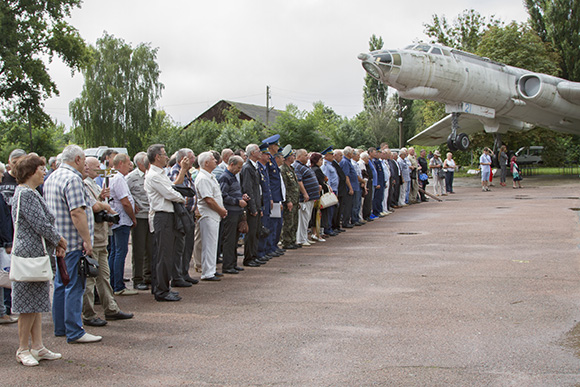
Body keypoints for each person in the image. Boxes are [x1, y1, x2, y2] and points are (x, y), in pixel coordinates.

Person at [10, 155, 67, 365]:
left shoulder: (30, 192)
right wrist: (60, 240)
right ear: (32, 171)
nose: (45, 172)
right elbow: (41, 224)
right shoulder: (26, 194)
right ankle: (23, 349)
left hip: (36, 253)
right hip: (29, 255)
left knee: (36, 302)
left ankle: (38, 346)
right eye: (41, 169)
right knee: (27, 304)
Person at [44, 145, 101, 344]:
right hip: (72, 242)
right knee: (75, 287)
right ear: (77, 159)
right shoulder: (73, 179)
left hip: (58, 242)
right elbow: (77, 212)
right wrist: (87, 240)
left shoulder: (52, 177)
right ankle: (75, 331)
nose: (85, 164)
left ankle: (61, 327)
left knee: (60, 284)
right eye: (84, 160)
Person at [82, 157, 133, 327]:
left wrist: (103, 200)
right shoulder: (83, 184)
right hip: (93, 237)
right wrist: (104, 206)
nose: (101, 169)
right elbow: (94, 207)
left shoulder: (94, 183)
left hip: (101, 235)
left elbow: (99, 204)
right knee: (90, 277)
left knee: (103, 275)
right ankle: (88, 314)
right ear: (87, 168)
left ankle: (110, 308)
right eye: (97, 166)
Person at [144, 144, 186, 302]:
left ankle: (162, 287)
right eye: (164, 154)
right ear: (157, 157)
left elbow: (171, 188)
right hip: (162, 216)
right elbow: (169, 193)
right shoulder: (154, 175)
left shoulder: (160, 173)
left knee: (165, 254)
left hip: (167, 215)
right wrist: (181, 198)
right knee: (163, 255)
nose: (167, 157)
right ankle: (161, 290)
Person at [168, 148, 198, 287]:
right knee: (179, 246)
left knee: (188, 245)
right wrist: (182, 169)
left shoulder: (188, 172)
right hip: (180, 214)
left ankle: (184, 273)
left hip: (189, 213)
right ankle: (176, 276)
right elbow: (176, 187)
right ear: (182, 159)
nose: (193, 160)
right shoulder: (176, 171)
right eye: (191, 158)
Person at [195, 152, 228, 281]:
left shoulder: (209, 176)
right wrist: (221, 210)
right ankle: (207, 272)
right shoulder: (203, 178)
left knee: (213, 244)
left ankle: (211, 269)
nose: (216, 160)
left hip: (213, 215)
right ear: (206, 163)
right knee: (209, 244)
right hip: (208, 215)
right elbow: (208, 199)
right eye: (213, 159)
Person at [108, 154, 138, 295]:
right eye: (128, 164)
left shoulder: (112, 175)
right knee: (120, 252)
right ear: (120, 163)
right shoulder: (118, 178)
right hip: (122, 219)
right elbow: (125, 201)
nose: (129, 167)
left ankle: (114, 282)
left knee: (115, 252)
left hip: (117, 219)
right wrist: (133, 217)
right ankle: (118, 286)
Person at [126, 152, 153, 290]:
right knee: (139, 248)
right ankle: (138, 278)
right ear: (140, 164)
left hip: (151, 215)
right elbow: (123, 194)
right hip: (140, 216)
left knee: (150, 247)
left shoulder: (151, 174)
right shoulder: (131, 178)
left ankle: (148, 275)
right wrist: (132, 206)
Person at [218, 155, 248, 274]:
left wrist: (242, 197)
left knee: (234, 239)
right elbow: (223, 195)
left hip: (236, 211)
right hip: (230, 212)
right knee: (229, 239)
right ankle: (227, 265)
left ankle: (233, 263)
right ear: (231, 164)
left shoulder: (233, 176)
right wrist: (237, 201)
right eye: (238, 167)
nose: (240, 170)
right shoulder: (225, 177)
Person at [240, 144, 264, 267]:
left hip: (256, 204)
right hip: (251, 206)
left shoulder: (254, 167)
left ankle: (254, 255)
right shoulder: (247, 168)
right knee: (251, 233)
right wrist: (253, 207)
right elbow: (248, 189)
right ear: (252, 153)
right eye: (258, 151)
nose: (260, 153)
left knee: (256, 232)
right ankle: (248, 258)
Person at [293, 149, 320, 246]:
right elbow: (299, 181)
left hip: (311, 197)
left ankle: (304, 237)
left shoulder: (303, 166)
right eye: (305, 155)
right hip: (304, 198)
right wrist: (305, 193)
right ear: (299, 156)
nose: (307, 157)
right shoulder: (297, 166)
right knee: (303, 219)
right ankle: (300, 239)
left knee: (306, 219)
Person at [280, 146, 300, 249]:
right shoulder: (283, 169)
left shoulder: (291, 169)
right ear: (288, 157)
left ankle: (292, 240)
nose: (294, 157)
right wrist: (288, 200)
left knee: (294, 221)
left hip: (295, 199)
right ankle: (286, 242)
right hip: (290, 200)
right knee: (288, 222)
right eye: (292, 155)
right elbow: (285, 187)